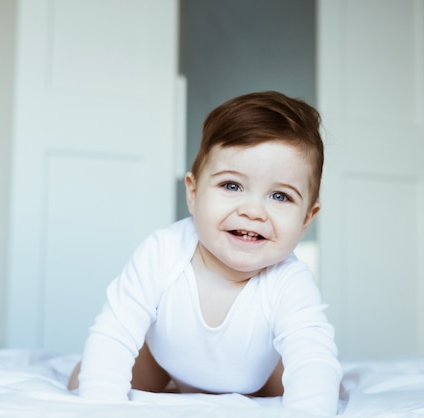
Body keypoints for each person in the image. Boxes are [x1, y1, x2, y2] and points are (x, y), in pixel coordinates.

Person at [68, 91, 343, 416]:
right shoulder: (162, 252)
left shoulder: (289, 281)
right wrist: (102, 401)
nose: (253, 211)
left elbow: (311, 358)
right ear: (194, 193)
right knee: (87, 376)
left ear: (306, 219)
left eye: (280, 196)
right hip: (166, 362)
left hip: (258, 374)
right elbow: (115, 327)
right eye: (232, 186)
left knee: (320, 380)